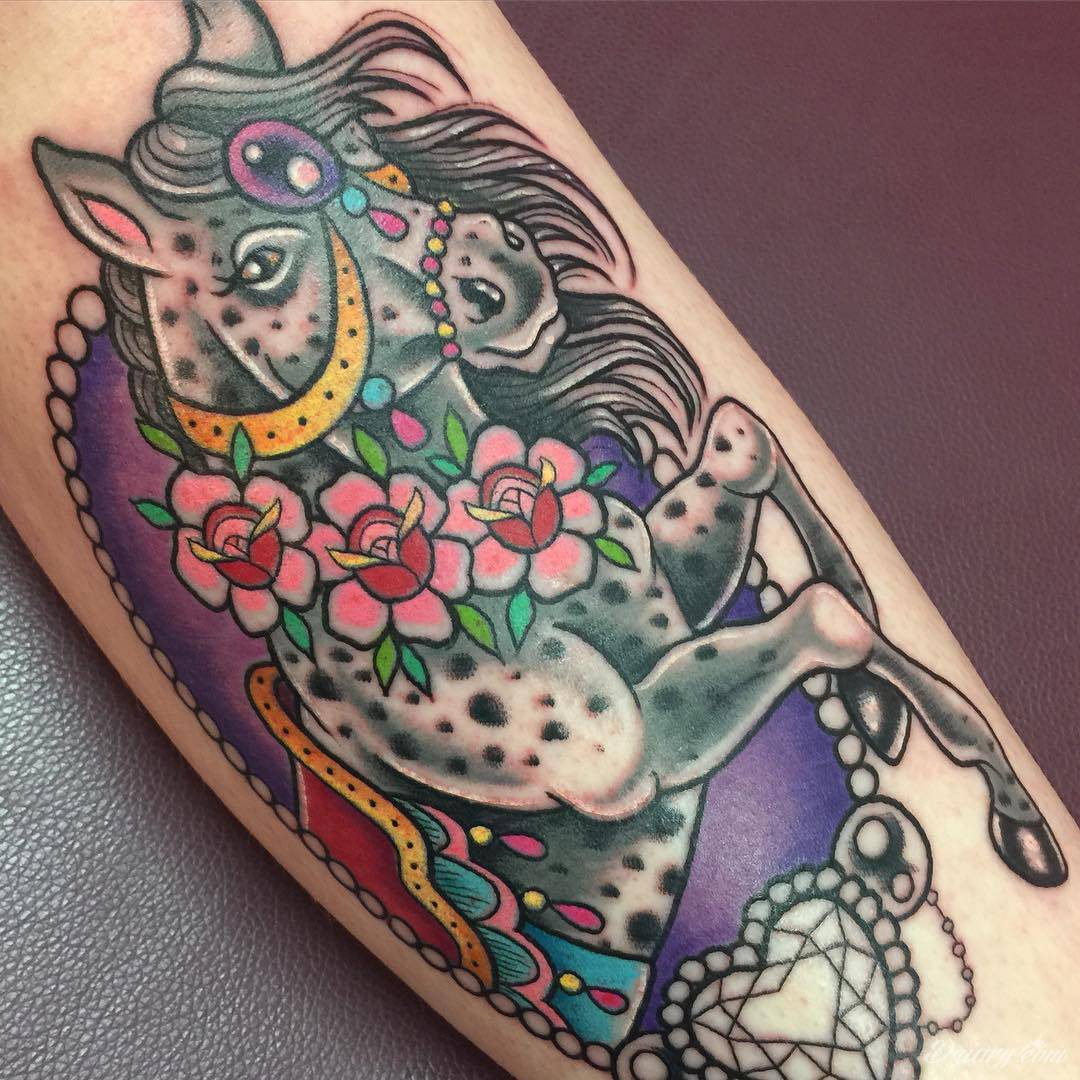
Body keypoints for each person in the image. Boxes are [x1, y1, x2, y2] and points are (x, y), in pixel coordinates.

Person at [1, 3, 1077, 1078]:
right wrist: (806, 635)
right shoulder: (341, 587)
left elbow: (651, 605)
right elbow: (612, 752)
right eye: (273, 267)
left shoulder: (495, 471)